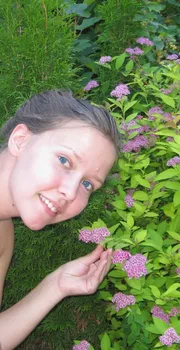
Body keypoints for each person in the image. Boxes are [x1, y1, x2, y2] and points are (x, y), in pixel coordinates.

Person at [0, 90, 122, 349]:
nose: (70, 192)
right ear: (20, 140)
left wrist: (56, 286)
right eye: (64, 160)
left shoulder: (3, 235)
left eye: (88, 184)